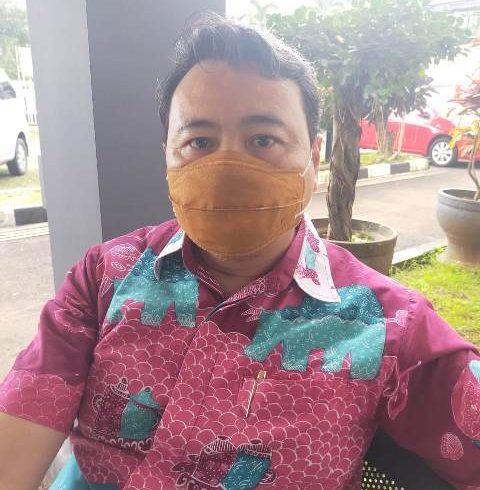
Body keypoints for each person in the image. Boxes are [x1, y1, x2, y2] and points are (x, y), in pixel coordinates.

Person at [0, 11, 479, 490]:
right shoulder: (105, 278)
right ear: (167, 156)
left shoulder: (390, 327)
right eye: (199, 141)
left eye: (263, 139)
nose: (227, 167)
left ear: (312, 159)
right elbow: (16, 443)